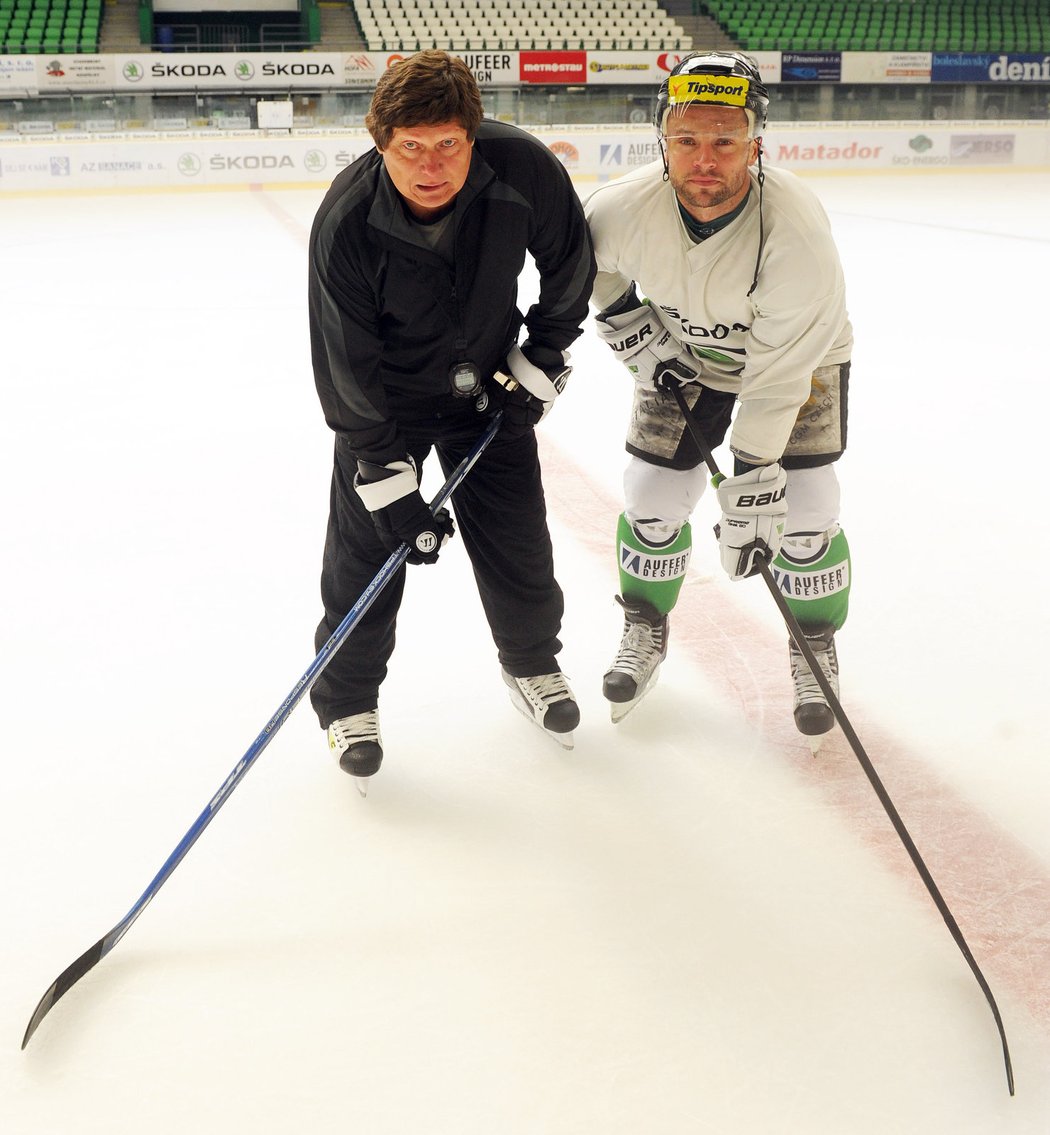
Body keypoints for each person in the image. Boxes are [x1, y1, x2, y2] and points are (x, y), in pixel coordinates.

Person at [306, 51, 595, 784]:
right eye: (411, 147)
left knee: (519, 539)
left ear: (473, 134)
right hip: (389, 409)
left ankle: (532, 664)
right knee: (365, 555)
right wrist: (383, 469)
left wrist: (546, 351)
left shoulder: (522, 169)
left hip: (488, 394)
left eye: (448, 144)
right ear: (381, 142)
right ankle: (347, 701)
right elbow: (344, 357)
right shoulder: (346, 219)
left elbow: (570, 260)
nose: (430, 165)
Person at [584, 51, 853, 741]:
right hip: (687, 359)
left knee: (807, 512)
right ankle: (644, 626)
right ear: (662, 141)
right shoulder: (621, 208)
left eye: (725, 141)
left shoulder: (793, 229)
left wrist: (756, 474)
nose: (705, 159)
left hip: (801, 362)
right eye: (687, 139)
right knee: (650, 499)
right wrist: (623, 317)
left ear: (756, 144)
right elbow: (584, 266)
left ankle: (813, 640)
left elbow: (779, 373)